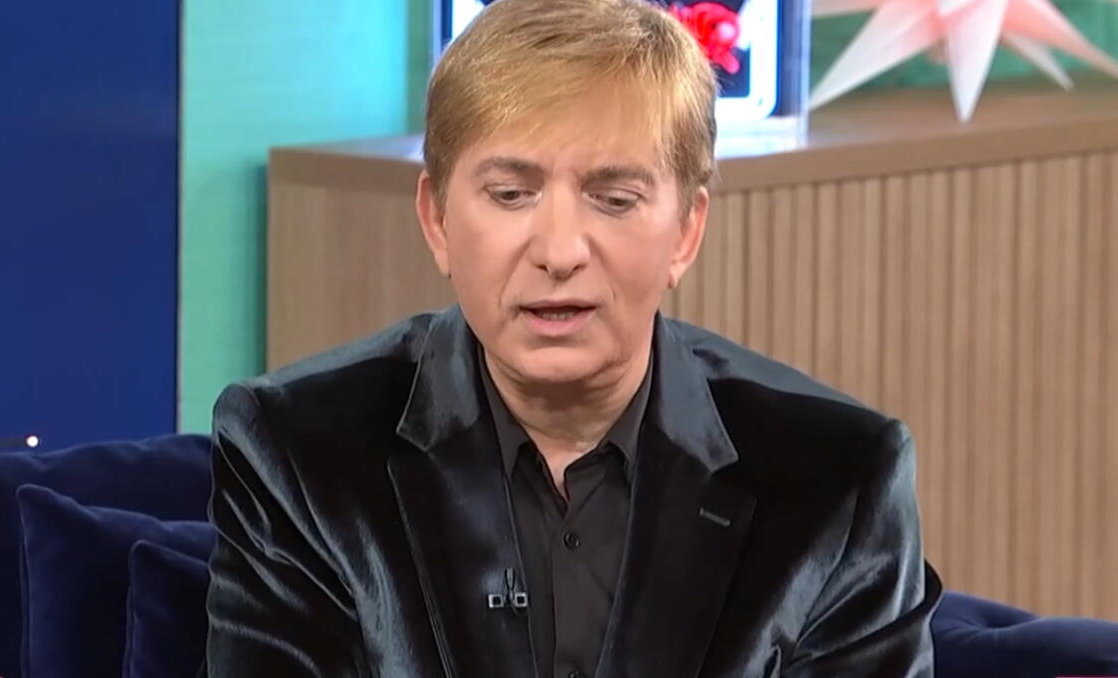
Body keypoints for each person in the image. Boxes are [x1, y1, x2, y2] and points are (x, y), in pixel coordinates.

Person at [204, 0, 942, 675]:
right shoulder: (300, 455)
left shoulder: (836, 479)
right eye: (510, 195)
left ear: (687, 230)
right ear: (436, 220)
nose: (559, 252)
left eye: (613, 199)